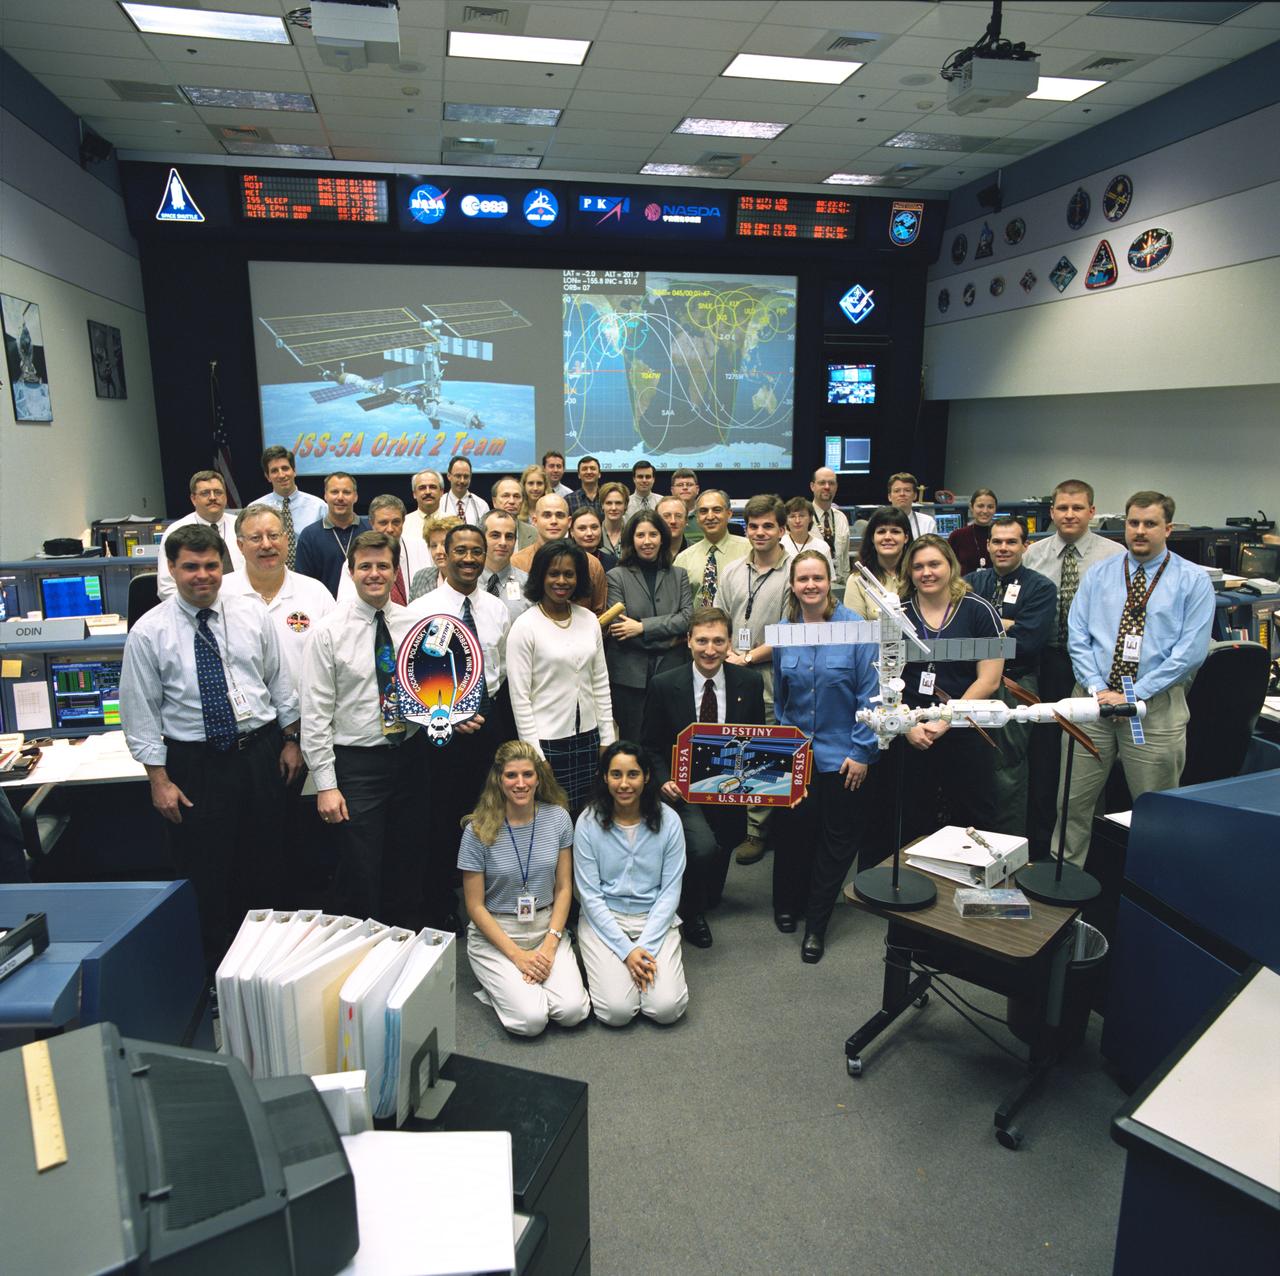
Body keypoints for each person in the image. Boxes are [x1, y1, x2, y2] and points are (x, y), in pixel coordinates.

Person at [119, 524, 301, 968]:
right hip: (195, 764)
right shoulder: (149, 632)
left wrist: (291, 740)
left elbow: (278, 679)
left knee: (267, 861)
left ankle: (266, 968)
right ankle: (218, 971)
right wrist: (158, 779)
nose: (202, 575)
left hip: (259, 752)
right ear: (172, 569)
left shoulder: (252, 613)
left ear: (224, 565)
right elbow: (139, 710)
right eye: (191, 567)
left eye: (211, 565)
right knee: (207, 872)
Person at [1057, 491, 1214, 866]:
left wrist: (1135, 694)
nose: (1140, 531)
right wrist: (1098, 689)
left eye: (1150, 524)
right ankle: (1063, 882)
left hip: (1153, 710)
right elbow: (1077, 635)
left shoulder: (1193, 581)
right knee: (1072, 805)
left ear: (1168, 529)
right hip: (1092, 707)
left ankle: (1153, 891)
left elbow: (1189, 653)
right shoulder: (1100, 574)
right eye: (1133, 523)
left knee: (1156, 813)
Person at [299, 531, 429, 926]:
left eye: (383, 566)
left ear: (395, 572)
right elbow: (316, 713)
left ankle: (405, 952)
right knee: (361, 869)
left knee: (409, 862)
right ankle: (360, 959)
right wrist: (325, 784)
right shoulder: (327, 632)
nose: (375, 574)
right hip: (356, 766)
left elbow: (432, 690)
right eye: (366, 566)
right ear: (351, 571)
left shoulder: (416, 625)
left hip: (411, 756)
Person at [771, 552, 879, 963]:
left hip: (844, 754)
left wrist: (862, 751)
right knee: (795, 831)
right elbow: (781, 696)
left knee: (836, 842)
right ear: (793, 585)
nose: (811, 585)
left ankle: (816, 923)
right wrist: (784, 748)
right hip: (798, 752)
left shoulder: (856, 628)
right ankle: (787, 903)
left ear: (829, 581)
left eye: (818, 578)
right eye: (803, 579)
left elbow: (870, 695)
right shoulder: (783, 631)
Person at [407, 523, 512, 929]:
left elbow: (498, 669)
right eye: (461, 551)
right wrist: (449, 712)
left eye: (476, 551)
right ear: (444, 555)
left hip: (490, 722)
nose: (469, 559)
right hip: (440, 728)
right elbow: (412, 676)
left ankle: (487, 900)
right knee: (441, 815)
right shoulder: (420, 610)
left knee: (488, 811)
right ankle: (440, 902)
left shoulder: (496, 608)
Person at [642, 608, 765, 950]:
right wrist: (664, 780)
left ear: (729, 644)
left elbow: (756, 741)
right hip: (683, 790)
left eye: (718, 641)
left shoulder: (750, 683)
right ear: (688, 641)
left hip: (729, 787)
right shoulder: (665, 685)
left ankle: (708, 895)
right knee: (702, 847)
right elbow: (649, 745)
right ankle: (692, 914)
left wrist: (766, 783)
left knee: (729, 838)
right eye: (702, 641)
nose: (710, 649)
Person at [457, 741, 590, 1037]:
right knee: (532, 1021)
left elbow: (564, 888)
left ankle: (523, 984)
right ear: (498, 779)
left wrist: (551, 944)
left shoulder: (558, 819)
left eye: (528, 775)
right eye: (511, 776)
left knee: (573, 1012)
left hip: (546, 927)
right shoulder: (477, 830)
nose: (520, 784)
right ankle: (503, 985)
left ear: (539, 778)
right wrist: (518, 956)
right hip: (498, 933)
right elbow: (475, 906)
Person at [1022, 479, 1124, 857]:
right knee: (1047, 752)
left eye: (1077, 508)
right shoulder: (1034, 554)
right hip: (1046, 661)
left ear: (1092, 512)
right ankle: (1044, 841)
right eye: (1062, 508)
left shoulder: (1115, 555)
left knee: (1086, 751)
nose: (1069, 514)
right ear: (1051, 512)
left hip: (1095, 667)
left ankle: (1086, 841)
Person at [574, 743, 689, 1027]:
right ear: (604, 777)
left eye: (633, 774)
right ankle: (614, 969)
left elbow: (670, 891)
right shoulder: (588, 822)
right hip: (604, 920)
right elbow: (590, 897)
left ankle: (633, 971)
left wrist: (643, 949)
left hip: (653, 919)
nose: (624, 784)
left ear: (647, 776)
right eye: (616, 775)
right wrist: (627, 952)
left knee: (666, 1009)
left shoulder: (670, 821)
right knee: (616, 1013)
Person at [899, 535, 1005, 842]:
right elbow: (883, 678)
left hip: (966, 727)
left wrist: (947, 718)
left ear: (951, 566)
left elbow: (989, 678)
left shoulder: (978, 610)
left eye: (934, 564)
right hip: (913, 731)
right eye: (918, 566)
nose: (926, 572)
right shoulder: (897, 615)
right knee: (914, 816)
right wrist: (907, 725)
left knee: (974, 814)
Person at [507, 539, 616, 812]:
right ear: (540, 576)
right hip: (548, 743)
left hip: (590, 739)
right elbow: (520, 699)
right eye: (553, 573)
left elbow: (600, 683)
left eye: (569, 574)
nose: (561, 581)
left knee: (591, 816)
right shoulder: (525, 626)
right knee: (555, 821)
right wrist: (536, 754)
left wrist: (607, 740)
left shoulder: (588, 619)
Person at [965, 517, 1056, 836]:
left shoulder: (1041, 588)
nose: (1003, 548)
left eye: (1011, 542)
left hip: (1013, 686)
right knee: (971, 768)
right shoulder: (970, 583)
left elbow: (1028, 643)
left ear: (1025, 546)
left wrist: (987, 629)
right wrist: (1005, 625)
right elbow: (959, 633)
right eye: (997, 542)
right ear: (988, 545)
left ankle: (1006, 848)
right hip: (971, 684)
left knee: (1007, 770)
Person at [717, 494, 792, 866]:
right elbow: (719, 617)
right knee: (735, 748)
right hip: (732, 672)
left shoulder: (795, 571)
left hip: (770, 677)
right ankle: (734, 820)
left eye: (768, 526)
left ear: (782, 529)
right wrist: (728, 653)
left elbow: (788, 631)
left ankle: (757, 831)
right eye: (753, 526)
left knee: (765, 754)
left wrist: (746, 656)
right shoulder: (733, 570)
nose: (760, 532)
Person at [605, 511, 693, 740]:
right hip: (629, 678)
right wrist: (671, 639)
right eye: (640, 535)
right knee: (633, 743)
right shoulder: (616, 576)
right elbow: (618, 628)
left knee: (671, 740)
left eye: (653, 534)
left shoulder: (679, 575)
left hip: (673, 671)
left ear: (662, 537)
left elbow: (687, 619)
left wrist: (642, 627)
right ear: (631, 540)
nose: (647, 541)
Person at [224, 503, 334, 683]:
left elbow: (336, 655)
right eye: (256, 538)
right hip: (244, 708)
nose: (266, 545)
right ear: (240, 545)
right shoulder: (222, 594)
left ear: (286, 539)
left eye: (273, 536)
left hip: (304, 708)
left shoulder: (316, 593)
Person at [156, 470, 245, 599]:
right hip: (195, 612)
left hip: (242, 607)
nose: (213, 497)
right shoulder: (176, 531)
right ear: (193, 499)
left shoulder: (242, 526)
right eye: (205, 493)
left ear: (225, 497)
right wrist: (200, 608)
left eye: (218, 492)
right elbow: (166, 588)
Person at [512, 494, 608, 613]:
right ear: (535, 521)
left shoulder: (591, 564)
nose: (554, 521)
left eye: (560, 515)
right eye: (547, 515)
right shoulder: (516, 562)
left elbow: (600, 613)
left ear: (569, 522)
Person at [337, 494, 429, 606]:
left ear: (403, 521)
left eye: (396, 522)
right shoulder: (358, 558)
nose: (390, 529)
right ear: (371, 523)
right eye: (383, 523)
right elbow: (345, 604)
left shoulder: (421, 548)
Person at [293, 471, 370, 598]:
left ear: (355, 496)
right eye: (334, 492)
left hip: (366, 610)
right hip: (325, 611)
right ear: (325, 496)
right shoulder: (309, 536)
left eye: (346, 492)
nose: (340, 497)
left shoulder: (370, 530)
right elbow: (304, 584)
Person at [674, 489, 749, 608]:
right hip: (697, 624)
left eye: (717, 510)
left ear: (729, 514)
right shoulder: (683, 559)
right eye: (703, 511)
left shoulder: (750, 551)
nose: (710, 516)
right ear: (697, 517)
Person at [253, 445, 326, 568]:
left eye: (285, 468)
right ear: (267, 476)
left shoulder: (319, 507)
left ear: (294, 471)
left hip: (311, 573)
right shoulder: (255, 509)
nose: (281, 475)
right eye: (274, 471)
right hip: (269, 572)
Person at [843, 506, 911, 619]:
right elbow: (855, 630)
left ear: (906, 538)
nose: (888, 537)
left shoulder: (917, 576)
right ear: (872, 538)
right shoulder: (857, 581)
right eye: (881, 531)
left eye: (895, 531)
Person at [478, 509, 531, 624]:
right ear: (481, 539)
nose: (503, 542)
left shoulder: (529, 585)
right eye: (495, 535)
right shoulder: (465, 582)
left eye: (509, 536)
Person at [810, 466, 850, 587]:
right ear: (812, 486)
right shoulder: (802, 518)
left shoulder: (841, 518)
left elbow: (845, 560)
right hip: (813, 586)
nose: (827, 487)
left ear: (836, 487)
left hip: (839, 586)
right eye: (822, 483)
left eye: (831, 483)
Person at [406, 512, 462, 600]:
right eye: (434, 546)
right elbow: (410, 613)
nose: (438, 551)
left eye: (444, 544)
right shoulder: (421, 577)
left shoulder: (471, 577)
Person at [949, 488, 998, 575]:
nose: (985, 511)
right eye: (980, 506)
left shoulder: (1001, 535)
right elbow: (948, 567)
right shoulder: (957, 536)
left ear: (995, 509)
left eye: (990, 507)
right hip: (964, 587)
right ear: (971, 507)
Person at [780, 497, 833, 564]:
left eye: (801, 516)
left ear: (810, 518)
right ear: (786, 520)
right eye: (792, 516)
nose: (797, 521)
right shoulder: (779, 546)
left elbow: (829, 574)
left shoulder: (822, 547)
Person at [491, 475, 538, 549]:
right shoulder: (482, 532)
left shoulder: (534, 533)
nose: (512, 501)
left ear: (522, 501)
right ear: (494, 502)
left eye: (516, 496)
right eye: (505, 496)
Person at [887, 472, 937, 539]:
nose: (902, 494)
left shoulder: (927, 522)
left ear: (915, 495)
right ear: (889, 497)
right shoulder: (878, 522)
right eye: (897, 491)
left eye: (907, 490)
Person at [402, 468, 443, 545]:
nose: (428, 492)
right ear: (414, 494)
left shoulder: (453, 523)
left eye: (432, 487)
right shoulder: (404, 523)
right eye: (422, 488)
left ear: (441, 492)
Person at [444, 455, 489, 524]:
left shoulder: (481, 505)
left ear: (470, 477)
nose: (462, 481)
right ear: (449, 476)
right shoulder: (439, 503)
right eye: (458, 476)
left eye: (466, 476)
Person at [598, 481, 630, 563]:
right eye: (609, 503)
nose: (613, 508)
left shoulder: (632, 532)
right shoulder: (595, 533)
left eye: (618, 503)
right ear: (602, 505)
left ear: (625, 505)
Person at [569, 505, 608, 570]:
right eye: (582, 528)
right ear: (572, 532)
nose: (589, 533)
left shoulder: (613, 563)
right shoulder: (564, 562)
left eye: (594, 527)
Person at [670, 468, 702, 544]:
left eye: (689, 485)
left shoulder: (705, 516)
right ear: (672, 490)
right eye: (680, 485)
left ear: (697, 489)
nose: (685, 488)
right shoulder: (665, 518)